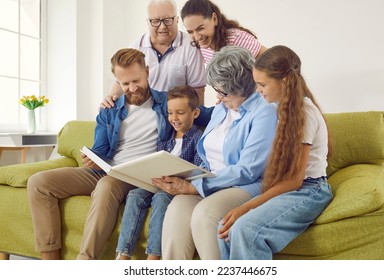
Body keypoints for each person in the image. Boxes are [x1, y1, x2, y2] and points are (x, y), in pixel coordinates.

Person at [27, 48, 212, 260]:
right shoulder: (110, 109)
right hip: (108, 169)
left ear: (147, 72)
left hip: (138, 175)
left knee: (106, 185)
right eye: (125, 84)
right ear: (117, 81)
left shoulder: (167, 104)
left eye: (136, 81)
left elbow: (211, 113)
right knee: (39, 183)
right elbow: (101, 149)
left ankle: (85, 261)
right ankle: (50, 263)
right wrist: (93, 158)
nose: (132, 88)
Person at [152, 46, 278, 260]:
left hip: (245, 185)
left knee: (205, 214)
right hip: (209, 179)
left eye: (223, 91)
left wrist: (195, 186)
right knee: (176, 210)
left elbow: (248, 169)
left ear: (241, 88)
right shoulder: (222, 107)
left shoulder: (264, 112)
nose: (217, 96)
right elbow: (188, 112)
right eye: (216, 90)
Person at [217, 45, 333, 260]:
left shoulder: (304, 114)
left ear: (285, 81)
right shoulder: (278, 109)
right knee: (225, 227)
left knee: (246, 230)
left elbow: (294, 181)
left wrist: (245, 208)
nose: (259, 90)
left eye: (262, 84)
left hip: (310, 190)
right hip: (290, 188)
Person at [115, 85, 203, 260]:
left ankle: (154, 256)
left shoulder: (198, 137)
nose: (174, 118)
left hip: (177, 189)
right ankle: (123, 254)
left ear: (195, 113)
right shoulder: (167, 137)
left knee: (161, 199)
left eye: (180, 112)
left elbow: (199, 169)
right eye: (170, 113)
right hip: (159, 183)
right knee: (134, 195)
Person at [104, 0, 206, 107]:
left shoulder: (191, 46)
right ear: (148, 22)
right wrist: (111, 97)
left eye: (167, 20)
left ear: (177, 20)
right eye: (155, 21)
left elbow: (197, 92)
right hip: (145, 113)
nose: (162, 27)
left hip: (177, 115)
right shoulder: (136, 47)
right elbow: (123, 81)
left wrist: (197, 121)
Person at [180, 0, 267, 64]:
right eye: (190, 32)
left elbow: (272, 59)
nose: (197, 37)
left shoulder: (236, 38)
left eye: (200, 28)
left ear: (214, 19)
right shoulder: (203, 48)